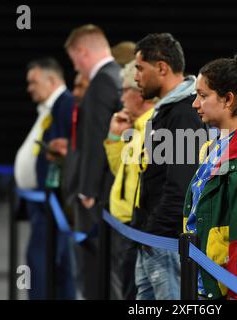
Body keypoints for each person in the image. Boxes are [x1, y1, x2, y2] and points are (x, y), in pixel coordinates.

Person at [183, 52, 237, 300]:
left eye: (203, 96)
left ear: (228, 99)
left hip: (224, 288)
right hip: (204, 280)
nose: (195, 103)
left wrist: (236, 292)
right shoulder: (215, 146)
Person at [132, 33, 205, 300]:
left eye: (140, 68)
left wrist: (153, 233)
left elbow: (181, 187)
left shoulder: (183, 113)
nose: (136, 77)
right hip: (155, 240)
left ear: (161, 68)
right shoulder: (168, 111)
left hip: (165, 242)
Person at [63, 24, 122, 299]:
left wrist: (86, 189)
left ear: (82, 52)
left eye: (74, 59)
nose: (76, 66)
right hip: (108, 191)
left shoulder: (101, 82)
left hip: (98, 195)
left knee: (97, 272)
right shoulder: (116, 76)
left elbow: (98, 139)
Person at [13, 58, 76, 299]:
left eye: (33, 82)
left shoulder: (65, 104)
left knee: (40, 261)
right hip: (43, 200)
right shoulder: (50, 108)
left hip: (53, 201)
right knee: (57, 263)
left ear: (51, 80)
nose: (29, 88)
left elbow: (66, 151)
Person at [104, 60, 155, 300]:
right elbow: (120, 173)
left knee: (134, 294)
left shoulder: (152, 128)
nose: (122, 97)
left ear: (141, 93)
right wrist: (114, 138)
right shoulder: (136, 127)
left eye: (125, 90)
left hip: (137, 229)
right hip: (123, 225)